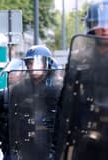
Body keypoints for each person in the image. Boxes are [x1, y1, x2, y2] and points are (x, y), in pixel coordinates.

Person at [0, 45, 63, 160]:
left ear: (47, 63)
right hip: (23, 149)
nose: (33, 66)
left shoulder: (57, 89)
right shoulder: (18, 88)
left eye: (37, 62)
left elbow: (63, 123)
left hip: (48, 149)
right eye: (30, 63)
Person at [54, 1, 108, 160]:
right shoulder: (80, 60)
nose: (104, 28)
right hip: (86, 140)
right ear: (91, 25)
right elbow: (66, 106)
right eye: (100, 23)